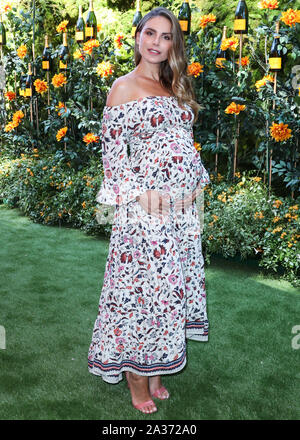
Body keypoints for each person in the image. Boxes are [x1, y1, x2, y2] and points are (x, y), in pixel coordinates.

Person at [88, 6, 210, 415]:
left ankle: (157, 372)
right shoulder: (124, 86)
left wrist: (194, 186)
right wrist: (141, 196)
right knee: (142, 294)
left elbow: (181, 146)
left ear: (174, 43)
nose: (157, 42)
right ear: (138, 37)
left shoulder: (175, 86)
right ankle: (136, 380)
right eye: (150, 33)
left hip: (181, 212)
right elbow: (112, 157)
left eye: (166, 36)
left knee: (168, 292)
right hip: (146, 213)